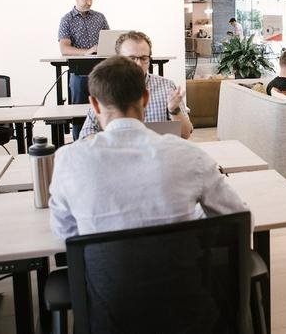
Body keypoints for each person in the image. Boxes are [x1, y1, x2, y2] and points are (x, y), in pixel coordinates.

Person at [49, 55, 247, 238]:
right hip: (183, 274)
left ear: (94, 104)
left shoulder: (68, 160)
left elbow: (65, 232)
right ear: (145, 98)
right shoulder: (190, 155)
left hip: (106, 275)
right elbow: (241, 219)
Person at [79, 31, 193, 139]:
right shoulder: (107, 86)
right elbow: (86, 134)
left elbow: (185, 134)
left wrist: (174, 110)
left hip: (156, 156)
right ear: (118, 58)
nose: (138, 64)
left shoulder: (166, 86)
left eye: (144, 58)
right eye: (132, 58)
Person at [57, 0, 110, 105]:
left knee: (106, 108)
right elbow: (64, 49)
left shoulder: (100, 17)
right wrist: (85, 52)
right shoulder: (67, 20)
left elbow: (109, 41)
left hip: (101, 70)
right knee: (79, 111)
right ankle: (78, 124)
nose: (89, 2)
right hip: (79, 71)